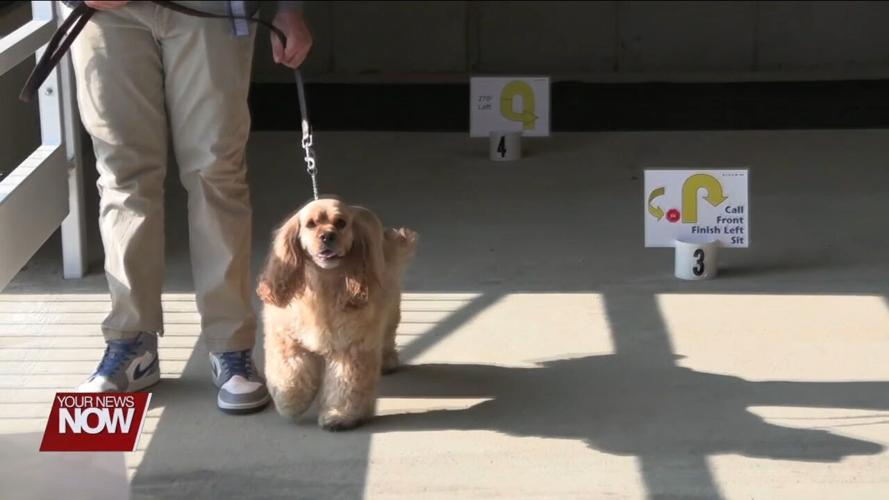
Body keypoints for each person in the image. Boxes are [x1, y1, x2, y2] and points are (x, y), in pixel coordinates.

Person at [69, 0, 312, 414]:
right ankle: (130, 344)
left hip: (211, 8)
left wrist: (289, 7)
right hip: (106, 14)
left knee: (217, 173)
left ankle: (230, 346)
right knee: (122, 175)